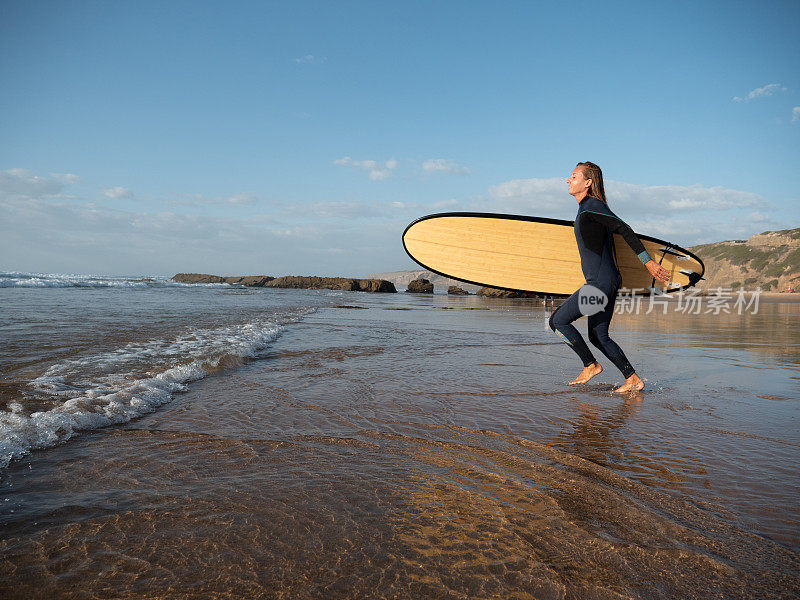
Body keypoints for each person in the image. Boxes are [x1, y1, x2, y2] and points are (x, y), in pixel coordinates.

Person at [548, 162, 670, 393]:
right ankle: (633, 379)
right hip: (609, 283)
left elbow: (624, 228)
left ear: (588, 182)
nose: (568, 180)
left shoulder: (591, 206)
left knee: (558, 321)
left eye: (573, 176)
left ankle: (590, 365)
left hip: (599, 285)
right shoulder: (590, 208)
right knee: (597, 336)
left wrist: (649, 262)